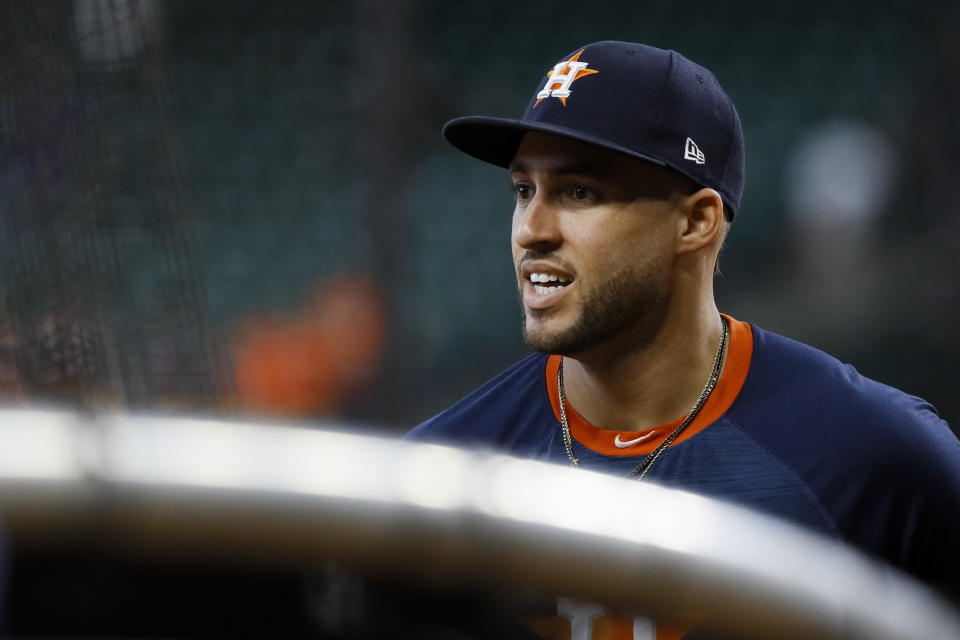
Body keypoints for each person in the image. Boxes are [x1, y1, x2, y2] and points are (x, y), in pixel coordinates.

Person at [406, 40, 960, 636]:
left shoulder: (870, 454)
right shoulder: (440, 473)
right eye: (523, 191)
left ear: (696, 221)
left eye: (579, 192)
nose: (532, 231)